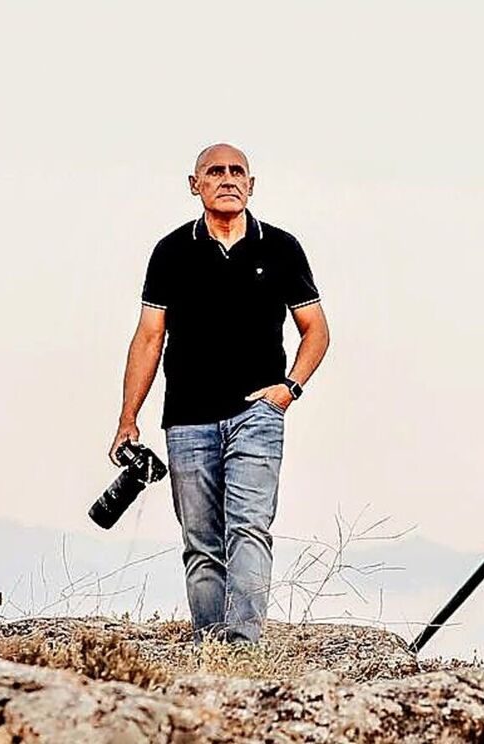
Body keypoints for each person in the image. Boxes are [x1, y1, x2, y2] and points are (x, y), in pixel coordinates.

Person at [108, 143, 330, 645]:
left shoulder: (281, 247)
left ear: (251, 185)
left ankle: (244, 647)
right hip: (186, 418)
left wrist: (289, 388)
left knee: (249, 526)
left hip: (259, 411)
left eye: (238, 172)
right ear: (195, 184)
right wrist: (128, 418)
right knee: (201, 542)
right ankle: (212, 648)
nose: (227, 179)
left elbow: (315, 328)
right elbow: (148, 337)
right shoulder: (170, 252)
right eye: (215, 171)